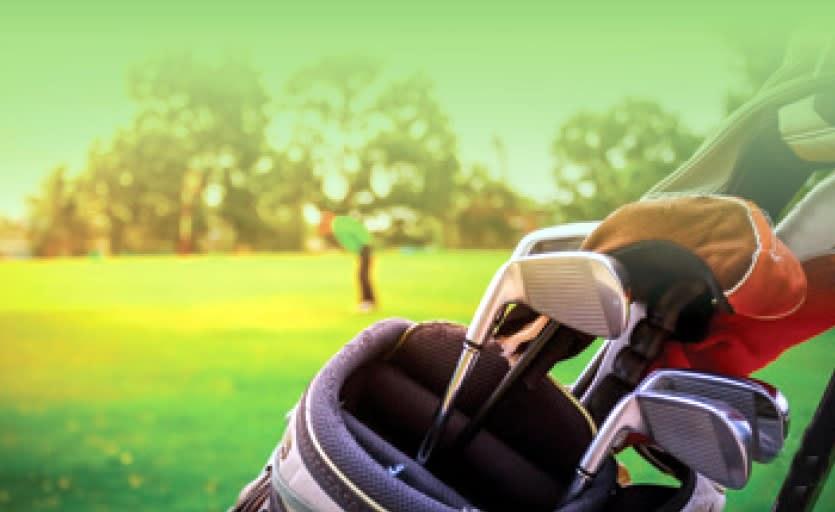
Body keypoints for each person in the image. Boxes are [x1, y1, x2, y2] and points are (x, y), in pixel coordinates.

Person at [321, 213, 377, 312]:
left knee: (362, 276)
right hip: (363, 249)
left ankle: (368, 302)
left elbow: (357, 233)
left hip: (365, 248)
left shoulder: (339, 224)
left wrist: (365, 247)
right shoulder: (339, 223)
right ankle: (368, 302)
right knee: (362, 276)